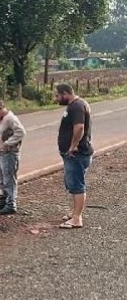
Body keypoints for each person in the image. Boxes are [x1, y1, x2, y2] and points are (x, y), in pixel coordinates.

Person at [54, 83, 94, 229]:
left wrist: (72, 146)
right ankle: (74, 212)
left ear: (65, 93)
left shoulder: (76, 106)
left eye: (57, 95)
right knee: (72, 182)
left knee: (77, 185)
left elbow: (79, 127)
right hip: (73, 154)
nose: (56, 98)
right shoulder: (77, 104)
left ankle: (77, 218)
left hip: (76, 154)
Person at [0, 99, 26, 215]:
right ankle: (3, 201)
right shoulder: (3, 119)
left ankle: (11, 203)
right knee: (2, 179)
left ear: (0, 109)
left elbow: (21, 132)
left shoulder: (10, 118)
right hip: (2, 153)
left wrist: (8, 142)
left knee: (9, 178)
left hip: (9, 153)